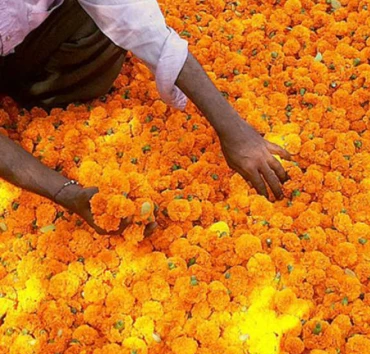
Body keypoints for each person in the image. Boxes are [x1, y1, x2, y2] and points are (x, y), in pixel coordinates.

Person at [0, 0, 295, 236]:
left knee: (98, 28)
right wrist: (67, 193)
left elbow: (141, 24)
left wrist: (235, 131)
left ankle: (35, 89)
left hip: (24, 41)